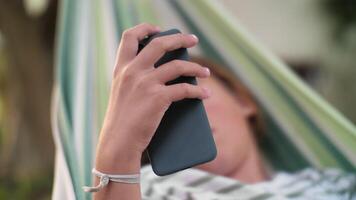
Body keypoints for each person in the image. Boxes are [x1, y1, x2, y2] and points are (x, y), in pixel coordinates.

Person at [90, 23, 356, 200]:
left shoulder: (328, 184)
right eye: (164, 106)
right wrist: (118, 147)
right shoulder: (143, 188)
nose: (177, 107)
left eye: (188, 90)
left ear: (243, 101)